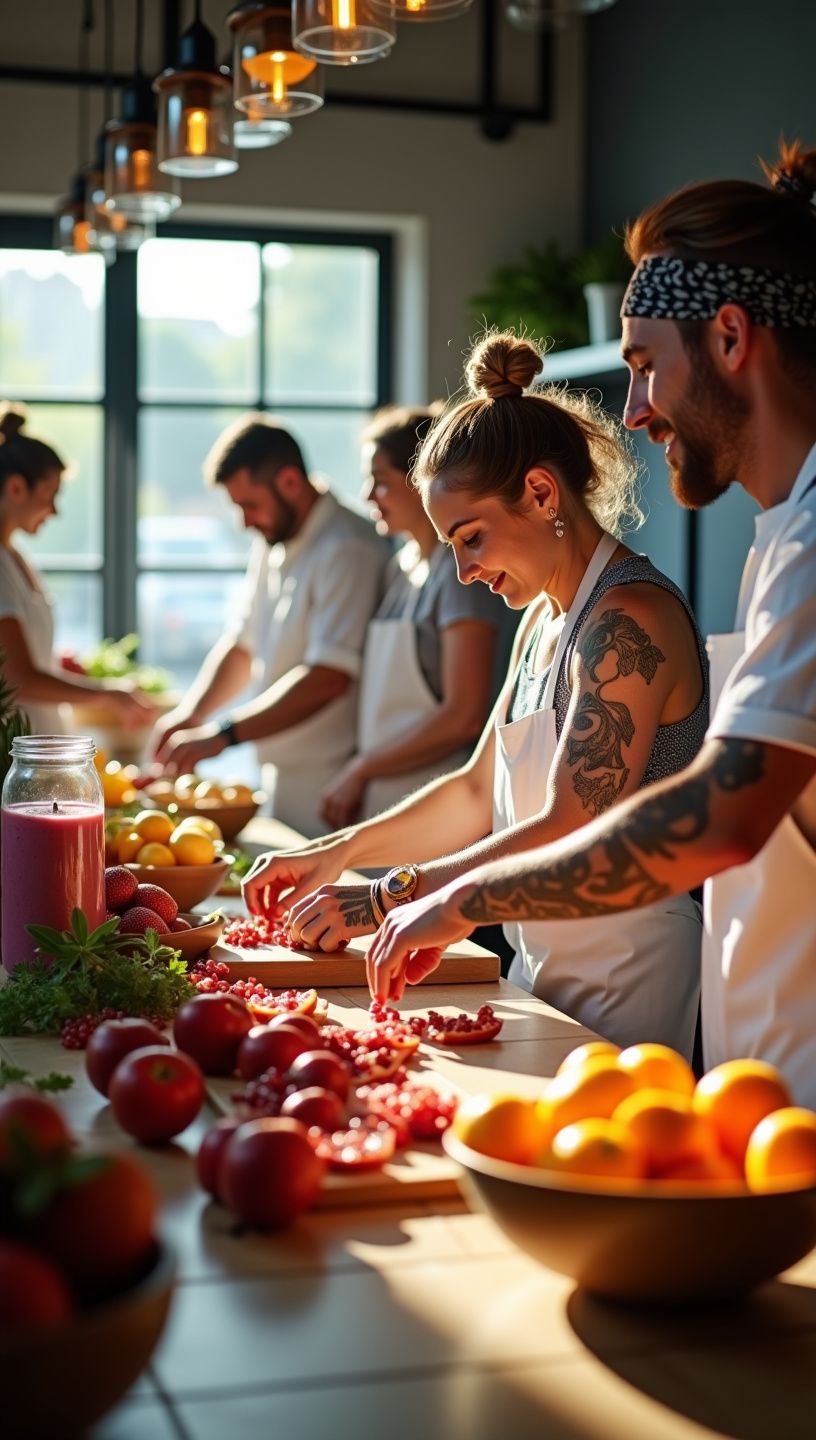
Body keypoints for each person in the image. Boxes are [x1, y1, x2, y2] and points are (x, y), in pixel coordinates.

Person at [361, 141, 816, 1105]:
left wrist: (445, 896)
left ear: (732, 339)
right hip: (763, 1062)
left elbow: (724, 816)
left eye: (646, 365)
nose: (637, 410)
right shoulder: (784, 534)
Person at [243, 334, 708, 1057]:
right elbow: (474, 790)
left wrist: (390, 895)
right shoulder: (543, 619)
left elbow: (569, 822)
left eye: (471, 538)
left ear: (542, 493)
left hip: (631, 977)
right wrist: (337, 853)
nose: (462, 571)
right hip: (543, 967)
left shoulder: (626, 621)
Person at [150, 415, 388, 838]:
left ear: (291, 482)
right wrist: (192, 714)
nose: (244, 522)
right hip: (277, 771)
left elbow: (328, 678)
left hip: (332, 783)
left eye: (249, 505)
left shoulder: (348, 548)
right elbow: (243, 645)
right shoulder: (274, 539)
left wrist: (222, 736)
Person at [319, 405, 511, 831]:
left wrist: (363, 767)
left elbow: (463, 716)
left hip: (437, 802)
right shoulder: (399, 566)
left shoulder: (459, 577)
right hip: (384, 795)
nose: (368, 496)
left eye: (380, 482)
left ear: (422, 483)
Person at [0, 405, 156, 735]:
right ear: (16, 487)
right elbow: (17, 676)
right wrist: (106, 693)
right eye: (50, 494)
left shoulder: (15, 557)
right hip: (15, 756)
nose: (54, 511)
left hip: (35, 750)